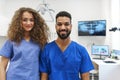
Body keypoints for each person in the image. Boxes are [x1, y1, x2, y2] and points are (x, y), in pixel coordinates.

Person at [40, 11, 94, 80]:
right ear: (56, 27)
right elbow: (44, 77)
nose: (63, 28)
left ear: (71, 26)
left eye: (66, 24)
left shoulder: (81, 51)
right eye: (59, 24)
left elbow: (85, 78)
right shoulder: (46, 50)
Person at [0, 7, 49, 80]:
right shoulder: (12, 40)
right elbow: (2, 65)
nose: (28, 23)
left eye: (31, 20)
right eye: (24, 20)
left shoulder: (41, 41)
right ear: (19, 22)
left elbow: (44, 66)